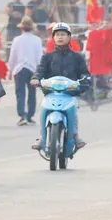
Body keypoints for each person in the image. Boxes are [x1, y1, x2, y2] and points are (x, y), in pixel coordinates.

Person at [31, 23, 88, 151]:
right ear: (53, 38)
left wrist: (85, 81)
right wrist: (36, 78)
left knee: (73, 111)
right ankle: (42, 137)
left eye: (63, 34)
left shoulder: (77, 57)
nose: (60, 37)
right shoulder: (47, 57)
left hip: (70, 93)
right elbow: (40, 70)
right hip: (51, 93)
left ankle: (75, 135)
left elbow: (84, 73)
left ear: (69, 37)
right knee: (43, 109)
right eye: (57, 35)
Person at [8, 17, 43, 126]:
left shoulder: (17, 40)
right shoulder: (37, 40)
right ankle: (30, 115)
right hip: (33, 69)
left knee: (20, 93)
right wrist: (40, 71)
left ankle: (22, 115)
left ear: (22, 28)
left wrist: (10, 69)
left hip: (19, 68)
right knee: (32, 93)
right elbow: (39, 57)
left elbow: (12, 56)